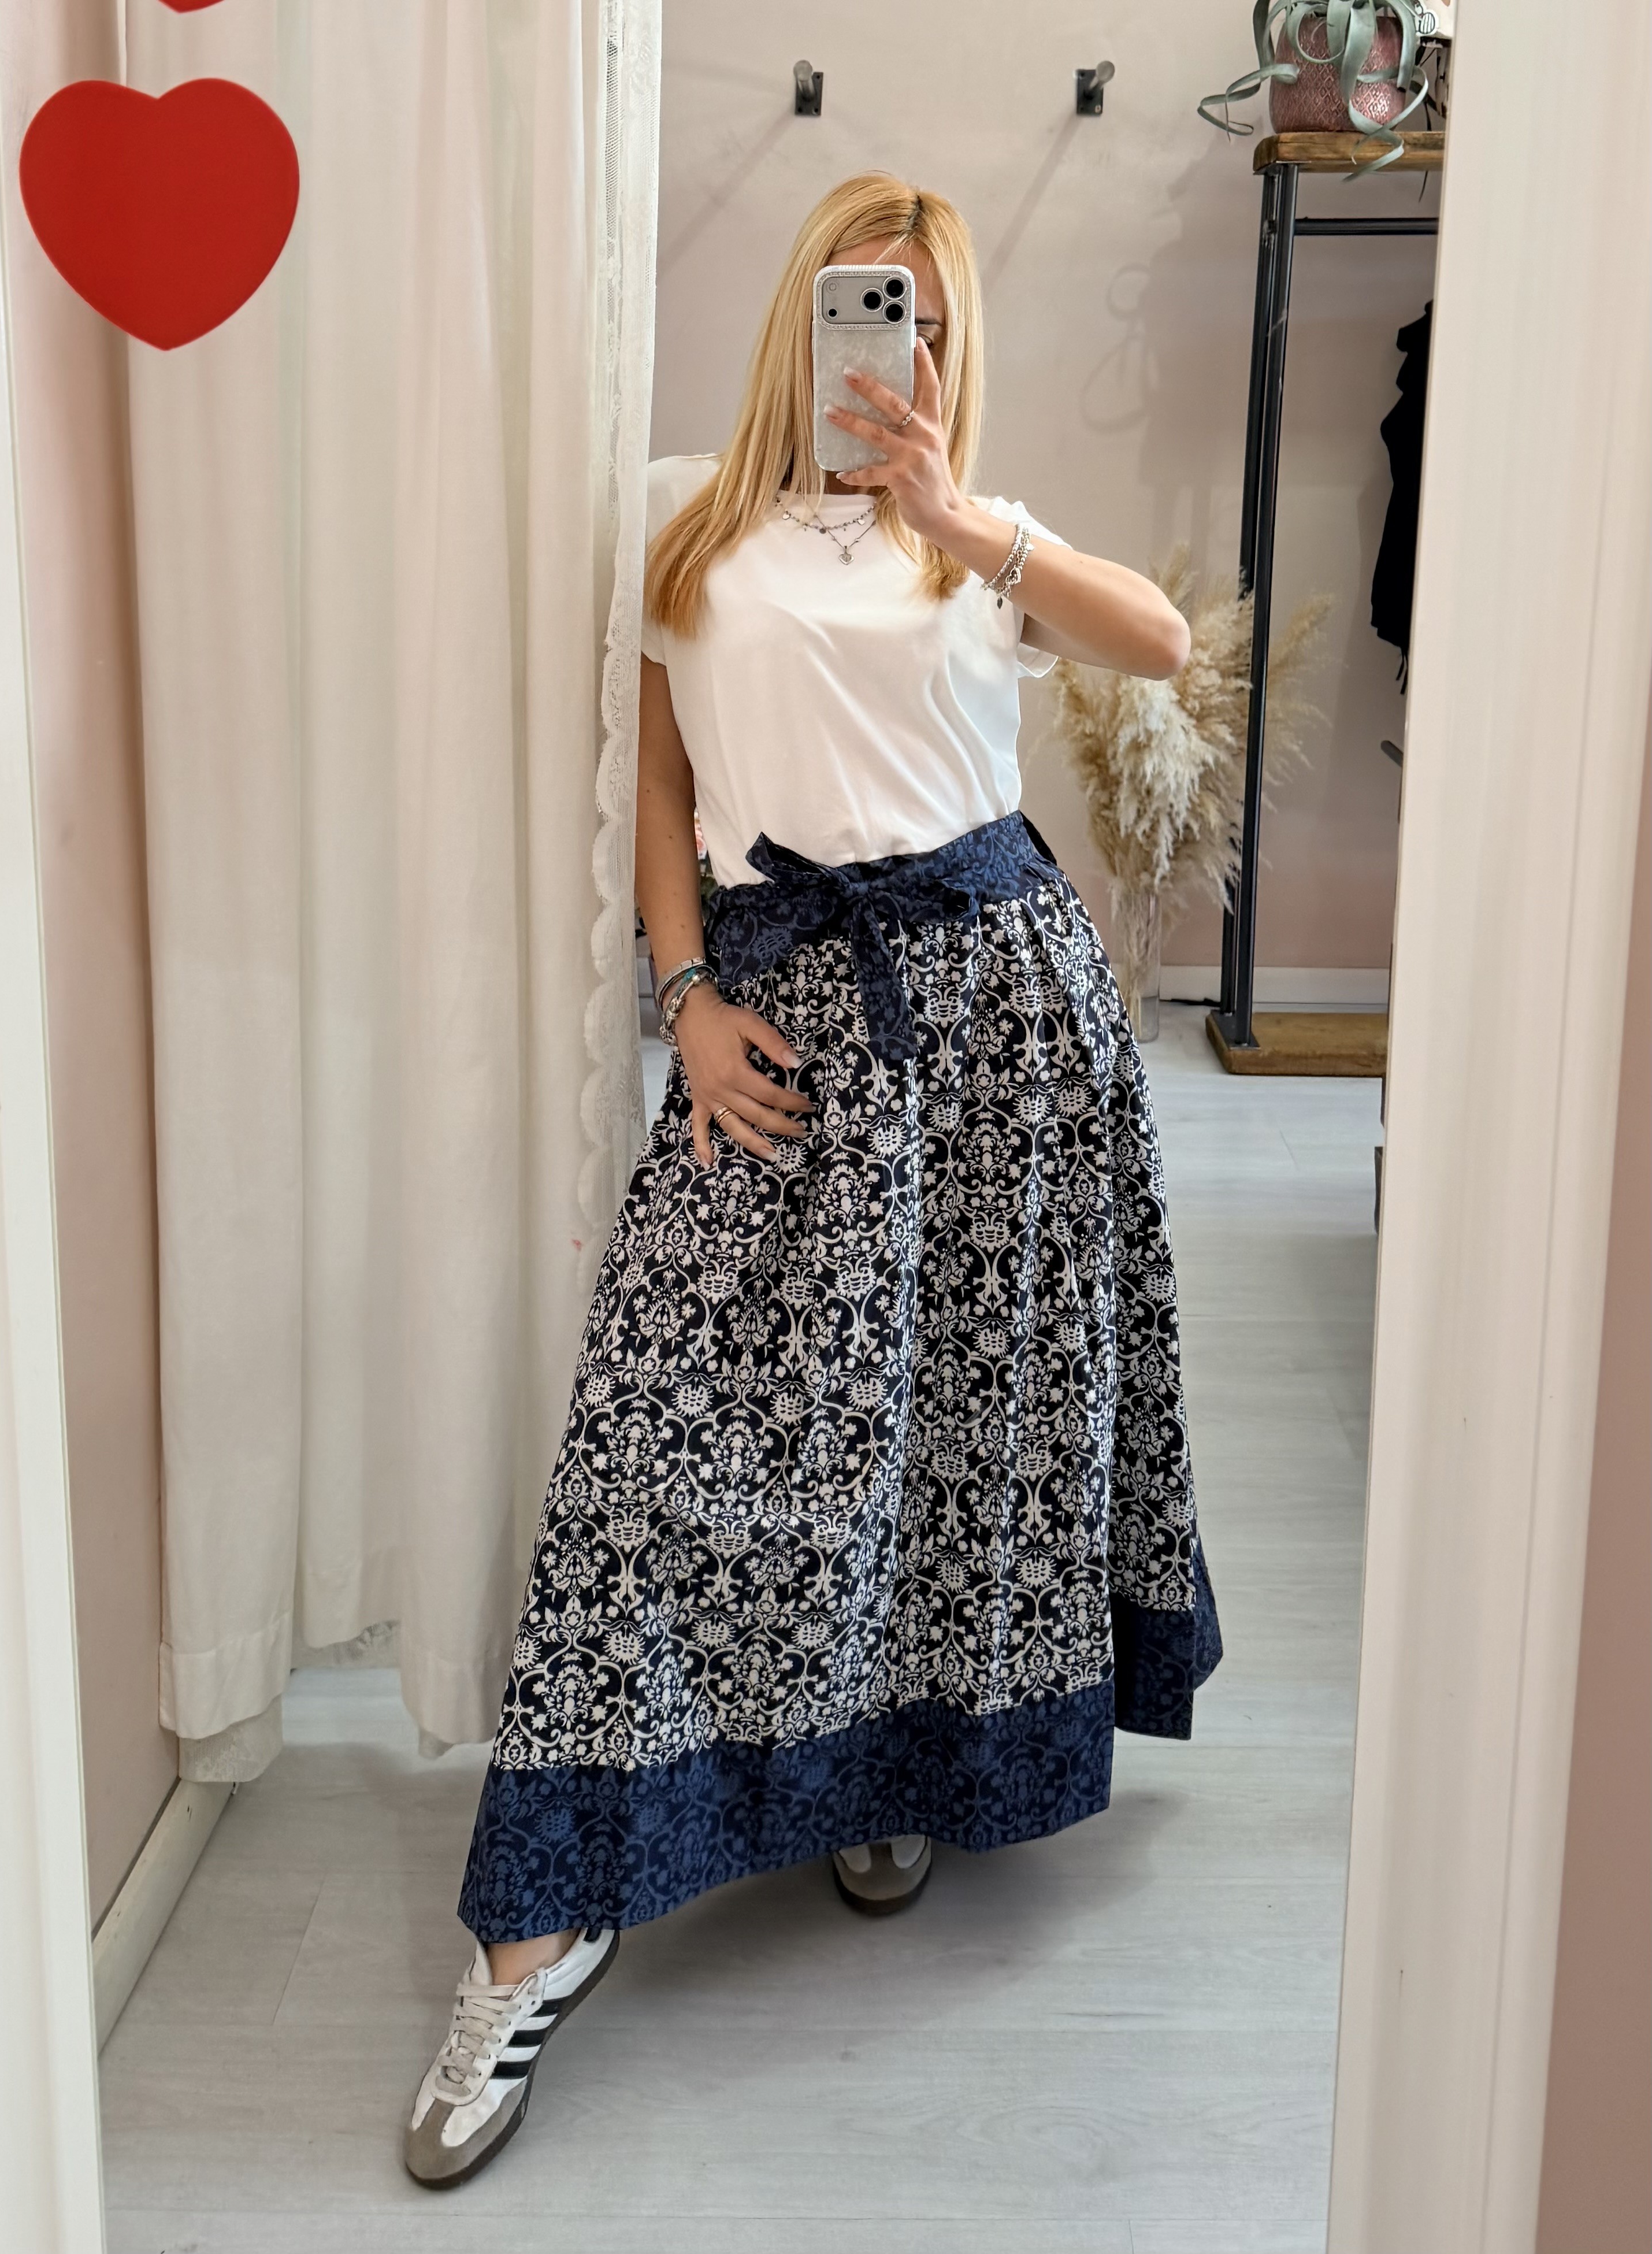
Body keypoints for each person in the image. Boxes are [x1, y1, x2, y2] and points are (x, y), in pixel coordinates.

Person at [404, 172, 1220, 2190]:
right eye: (875, 307)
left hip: (1002, 1017)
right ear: (806, 315)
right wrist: (681, 995)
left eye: (930, 320)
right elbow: (666, 783)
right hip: (777, 1021)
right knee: (659, 1439)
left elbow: (1159, 640)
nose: (899, 349)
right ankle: (534, 1929)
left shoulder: (974, 540)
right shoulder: (689, 525)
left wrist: (963, 516)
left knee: (953, 1425)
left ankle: (894, 1769)